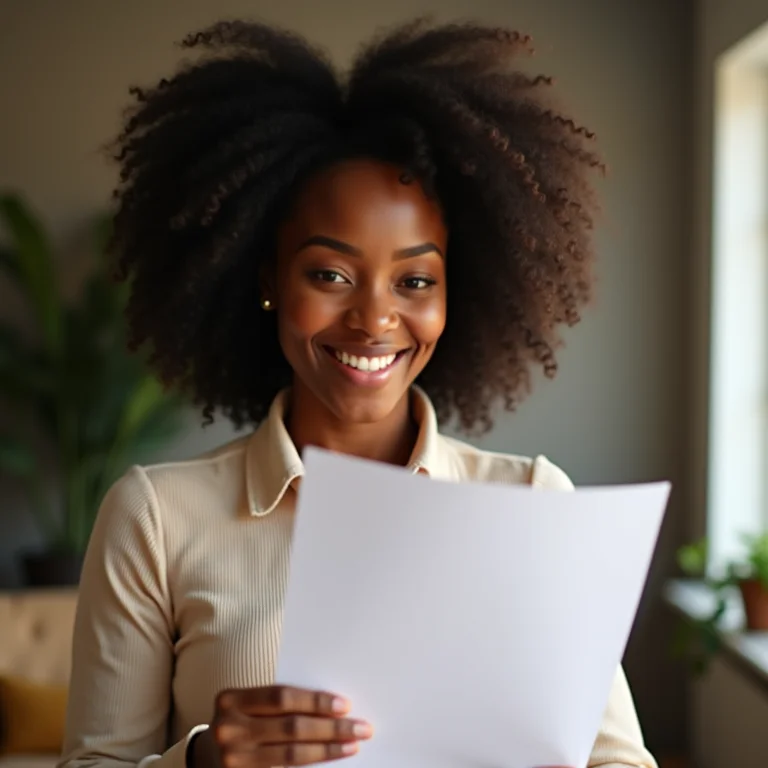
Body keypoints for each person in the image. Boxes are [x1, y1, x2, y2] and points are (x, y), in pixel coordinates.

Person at [59, 18, 657, 768]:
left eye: (415, 281)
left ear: (452, 296)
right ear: (268, 280)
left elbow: (621, 762)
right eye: (330, 275)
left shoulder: (534, 502)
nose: (375, 319)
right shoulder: (156, 520)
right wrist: (204, 760)